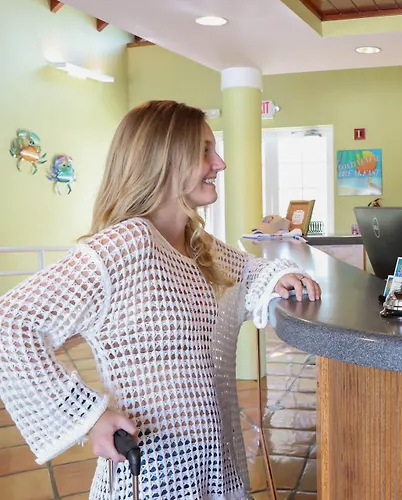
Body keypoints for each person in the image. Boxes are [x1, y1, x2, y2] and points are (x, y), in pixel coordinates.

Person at [0, 100, 321, 500]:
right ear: (164, 161)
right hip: (155, 471)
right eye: (204, 150)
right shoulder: (127, 244)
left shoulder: (196, 243)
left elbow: (249, 270)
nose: (219, 163)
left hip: (213, 461)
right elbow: (9, 326)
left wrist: (278, 276)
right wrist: (88, 417)